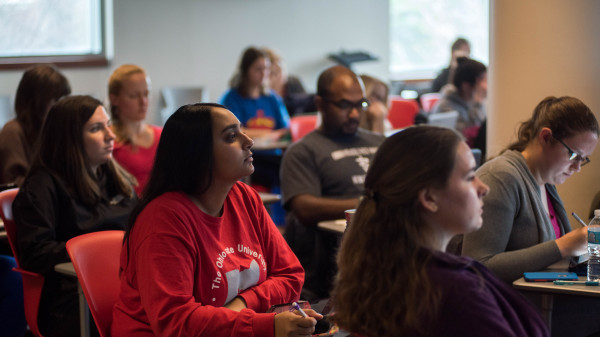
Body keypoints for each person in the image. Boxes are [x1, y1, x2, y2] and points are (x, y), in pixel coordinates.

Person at [112, 103, 320, 336]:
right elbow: (175, 323)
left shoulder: (245, 198)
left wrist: (240, 306)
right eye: (232, 136)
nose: (248, 140)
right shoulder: (163, 219)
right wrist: (265, 325)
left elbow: (290, 275)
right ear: (198, 155)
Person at [332, 125, 548, 337]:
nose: (484, 188)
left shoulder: (385, 273)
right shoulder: (454, 292)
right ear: (429, 198)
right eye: (469, 176)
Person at [462, 96, 600, 337]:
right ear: (545, 137)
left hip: (543, 307)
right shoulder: (501, 177)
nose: (577, 167)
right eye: (574, 155)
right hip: (514, 317)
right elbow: (478, 266)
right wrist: (565, 245)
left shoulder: (545, 181)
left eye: (584, 160)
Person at [11, 95, 137, 336]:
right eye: (96, 129)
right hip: (70, 297)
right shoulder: (41, 187)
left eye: (108, 125)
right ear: (69, 139)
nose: (111, 135)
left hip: (123, 283)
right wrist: (94, 253)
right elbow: (35, 254)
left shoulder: (115, 178)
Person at [280, 65, 385, 300]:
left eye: (361, 105)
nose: (355, 114)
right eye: (345, 105)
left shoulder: (380, 142)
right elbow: (304, 208)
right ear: (320, 104)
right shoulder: (303, 151)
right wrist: (368, 203)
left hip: (384, 241)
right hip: (334, 253)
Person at [220, 46, 290, 190]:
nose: (264, 73)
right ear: (246, 71)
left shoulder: (272, 98)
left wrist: (259, 134)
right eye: (258, 69)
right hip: (248, 157)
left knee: (292, 168)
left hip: (272, 157)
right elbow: (237, 132)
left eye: (266, 69)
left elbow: (285, 130)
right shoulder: (232, 98)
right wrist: (271, 134)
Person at [0, 63, 71, 186]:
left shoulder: (55, 131)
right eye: (55, 101)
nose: (61, 107)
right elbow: (15, 183)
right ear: (36, 103)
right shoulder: (12, 131)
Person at [108, 64, 161, 196]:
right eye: (133, 96)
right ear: (114, 99)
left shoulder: (163, 135)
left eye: (146, 94)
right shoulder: (109, 141)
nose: (143, 102)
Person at [431, 57, 487, 145]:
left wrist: (478, 104)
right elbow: (466, 139)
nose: (486, 86)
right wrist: (477, 105)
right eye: (482, 80)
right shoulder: (445, 107)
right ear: (466, 86)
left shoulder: (476, 102)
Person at [262, 47, 316, 116]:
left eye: (282, 70)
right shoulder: (263, 92)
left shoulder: (294, 82)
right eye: (275, 73)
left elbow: (306, 105)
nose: (281, 75)